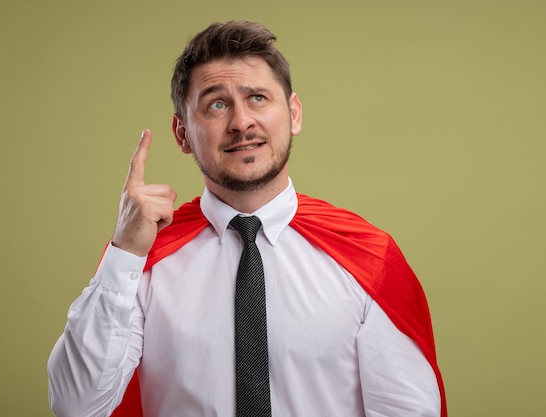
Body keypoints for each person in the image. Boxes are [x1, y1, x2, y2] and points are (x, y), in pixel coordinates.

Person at [47, 20, 446, 417]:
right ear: (182, 134)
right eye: (216, 104)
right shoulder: (144, 264)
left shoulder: (367, 259)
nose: (241, 122)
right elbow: (75, 407)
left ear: (293, 115)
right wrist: (124, 254)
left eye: (257, 97)